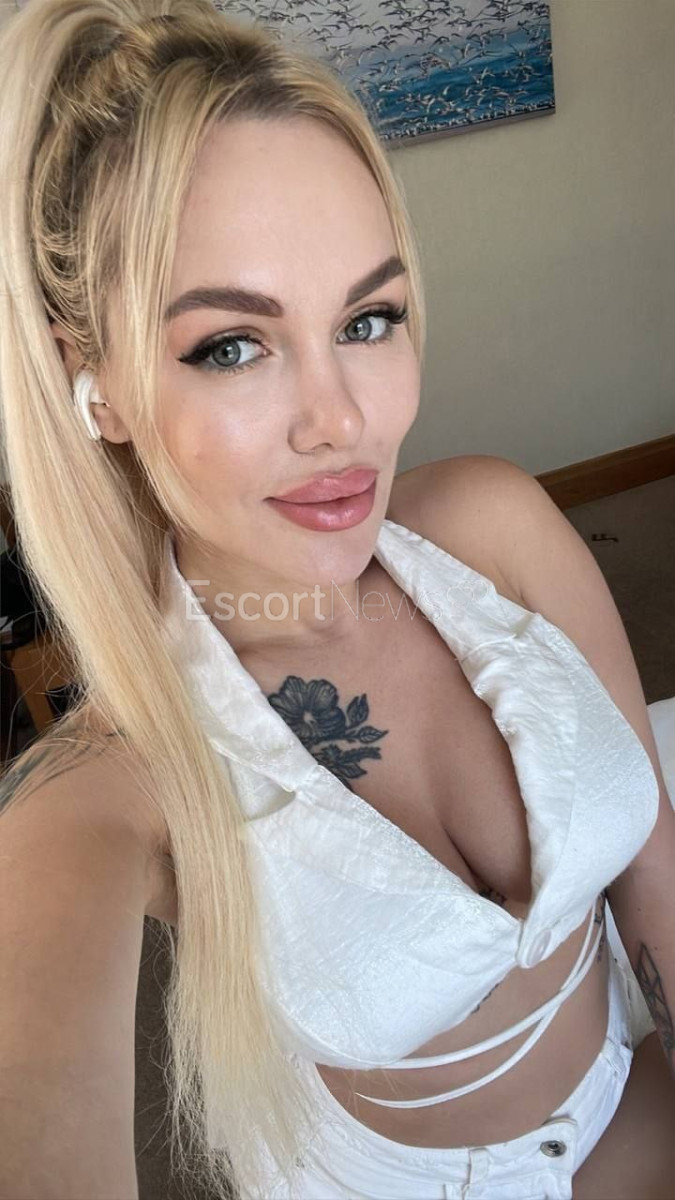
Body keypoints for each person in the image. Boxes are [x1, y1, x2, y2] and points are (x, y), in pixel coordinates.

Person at [0, 2, 673, 1197]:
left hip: (631, 1095)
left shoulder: (498, 525)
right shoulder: (104, 794)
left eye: (368, 320)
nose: (343, 422)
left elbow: (653, 864)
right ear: (92, 385)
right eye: (231, 345)